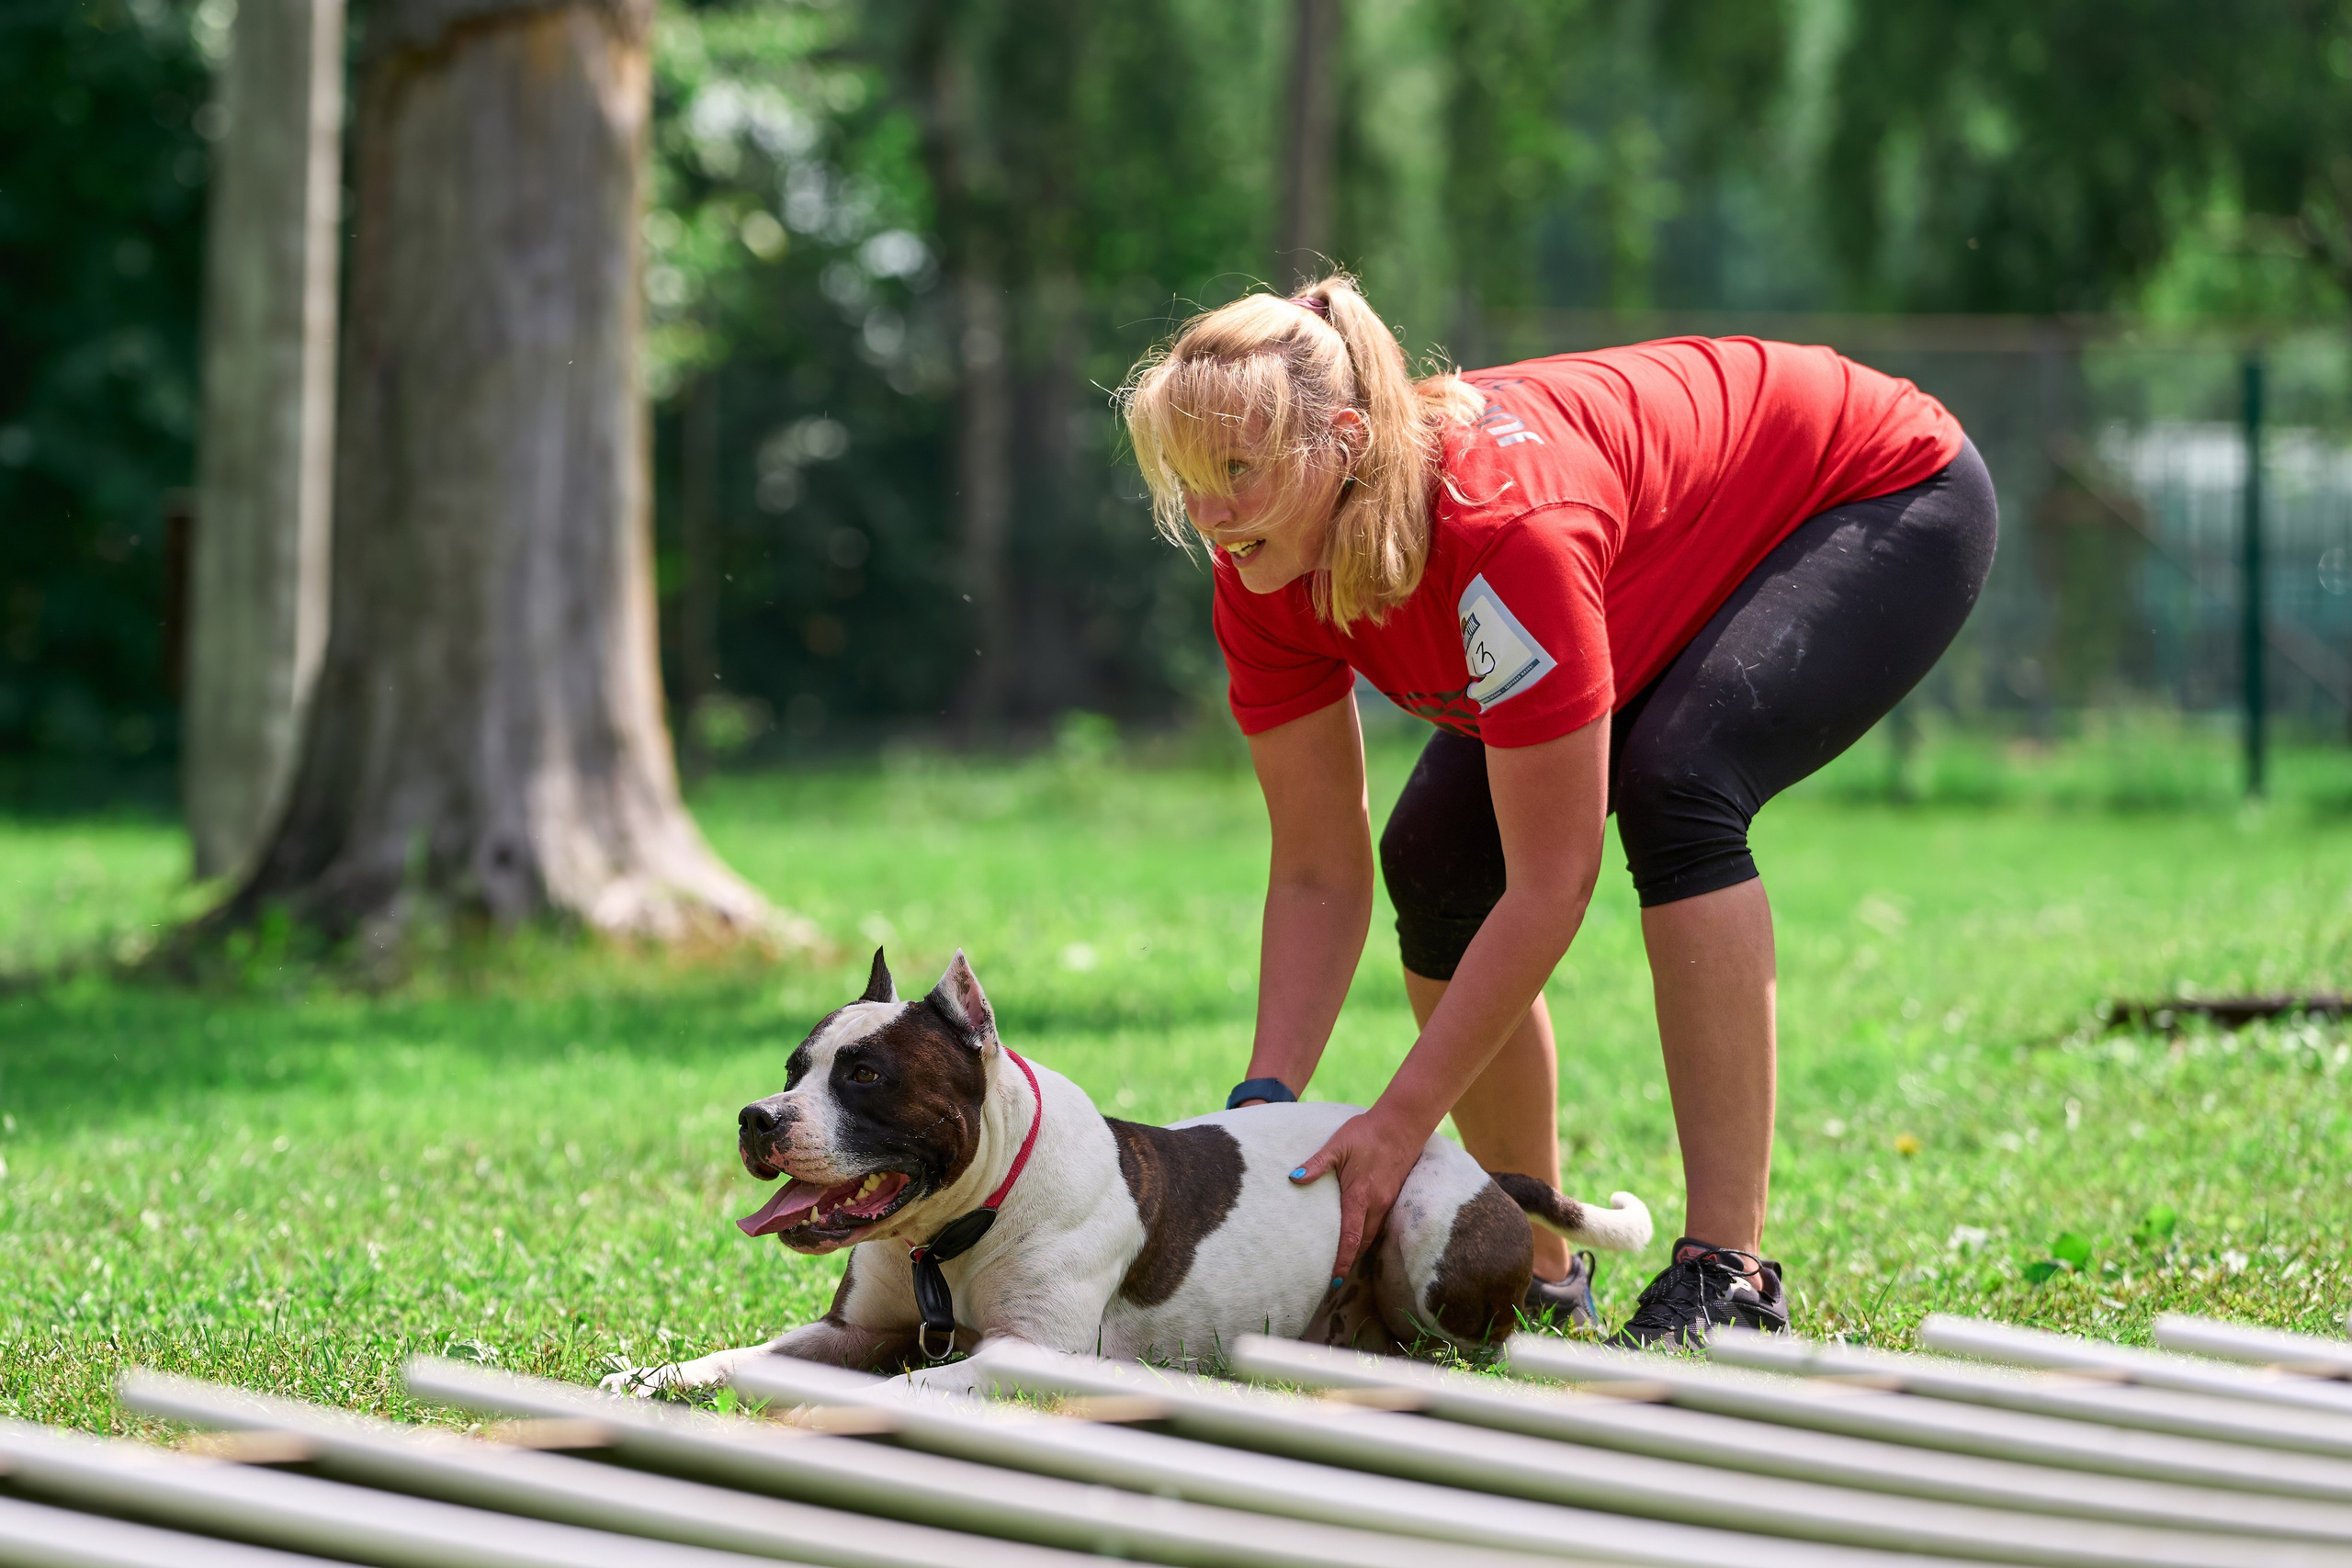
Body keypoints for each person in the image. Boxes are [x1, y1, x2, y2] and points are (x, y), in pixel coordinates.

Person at [1117, 275, 1996, 1346]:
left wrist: (1398, 1126)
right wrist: (1256, 1109)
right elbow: (1315, 868)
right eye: (1188, 478)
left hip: (1874, 490)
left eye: (1238, 473)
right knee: (1434, 859)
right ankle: (1535, 1261)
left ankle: (1728, 1270)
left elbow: (1552, 884)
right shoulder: (1261, 566)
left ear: (1342, 442)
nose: (1209, 514)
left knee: (1677, 786)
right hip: (1657, 558)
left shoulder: (1503, 530)